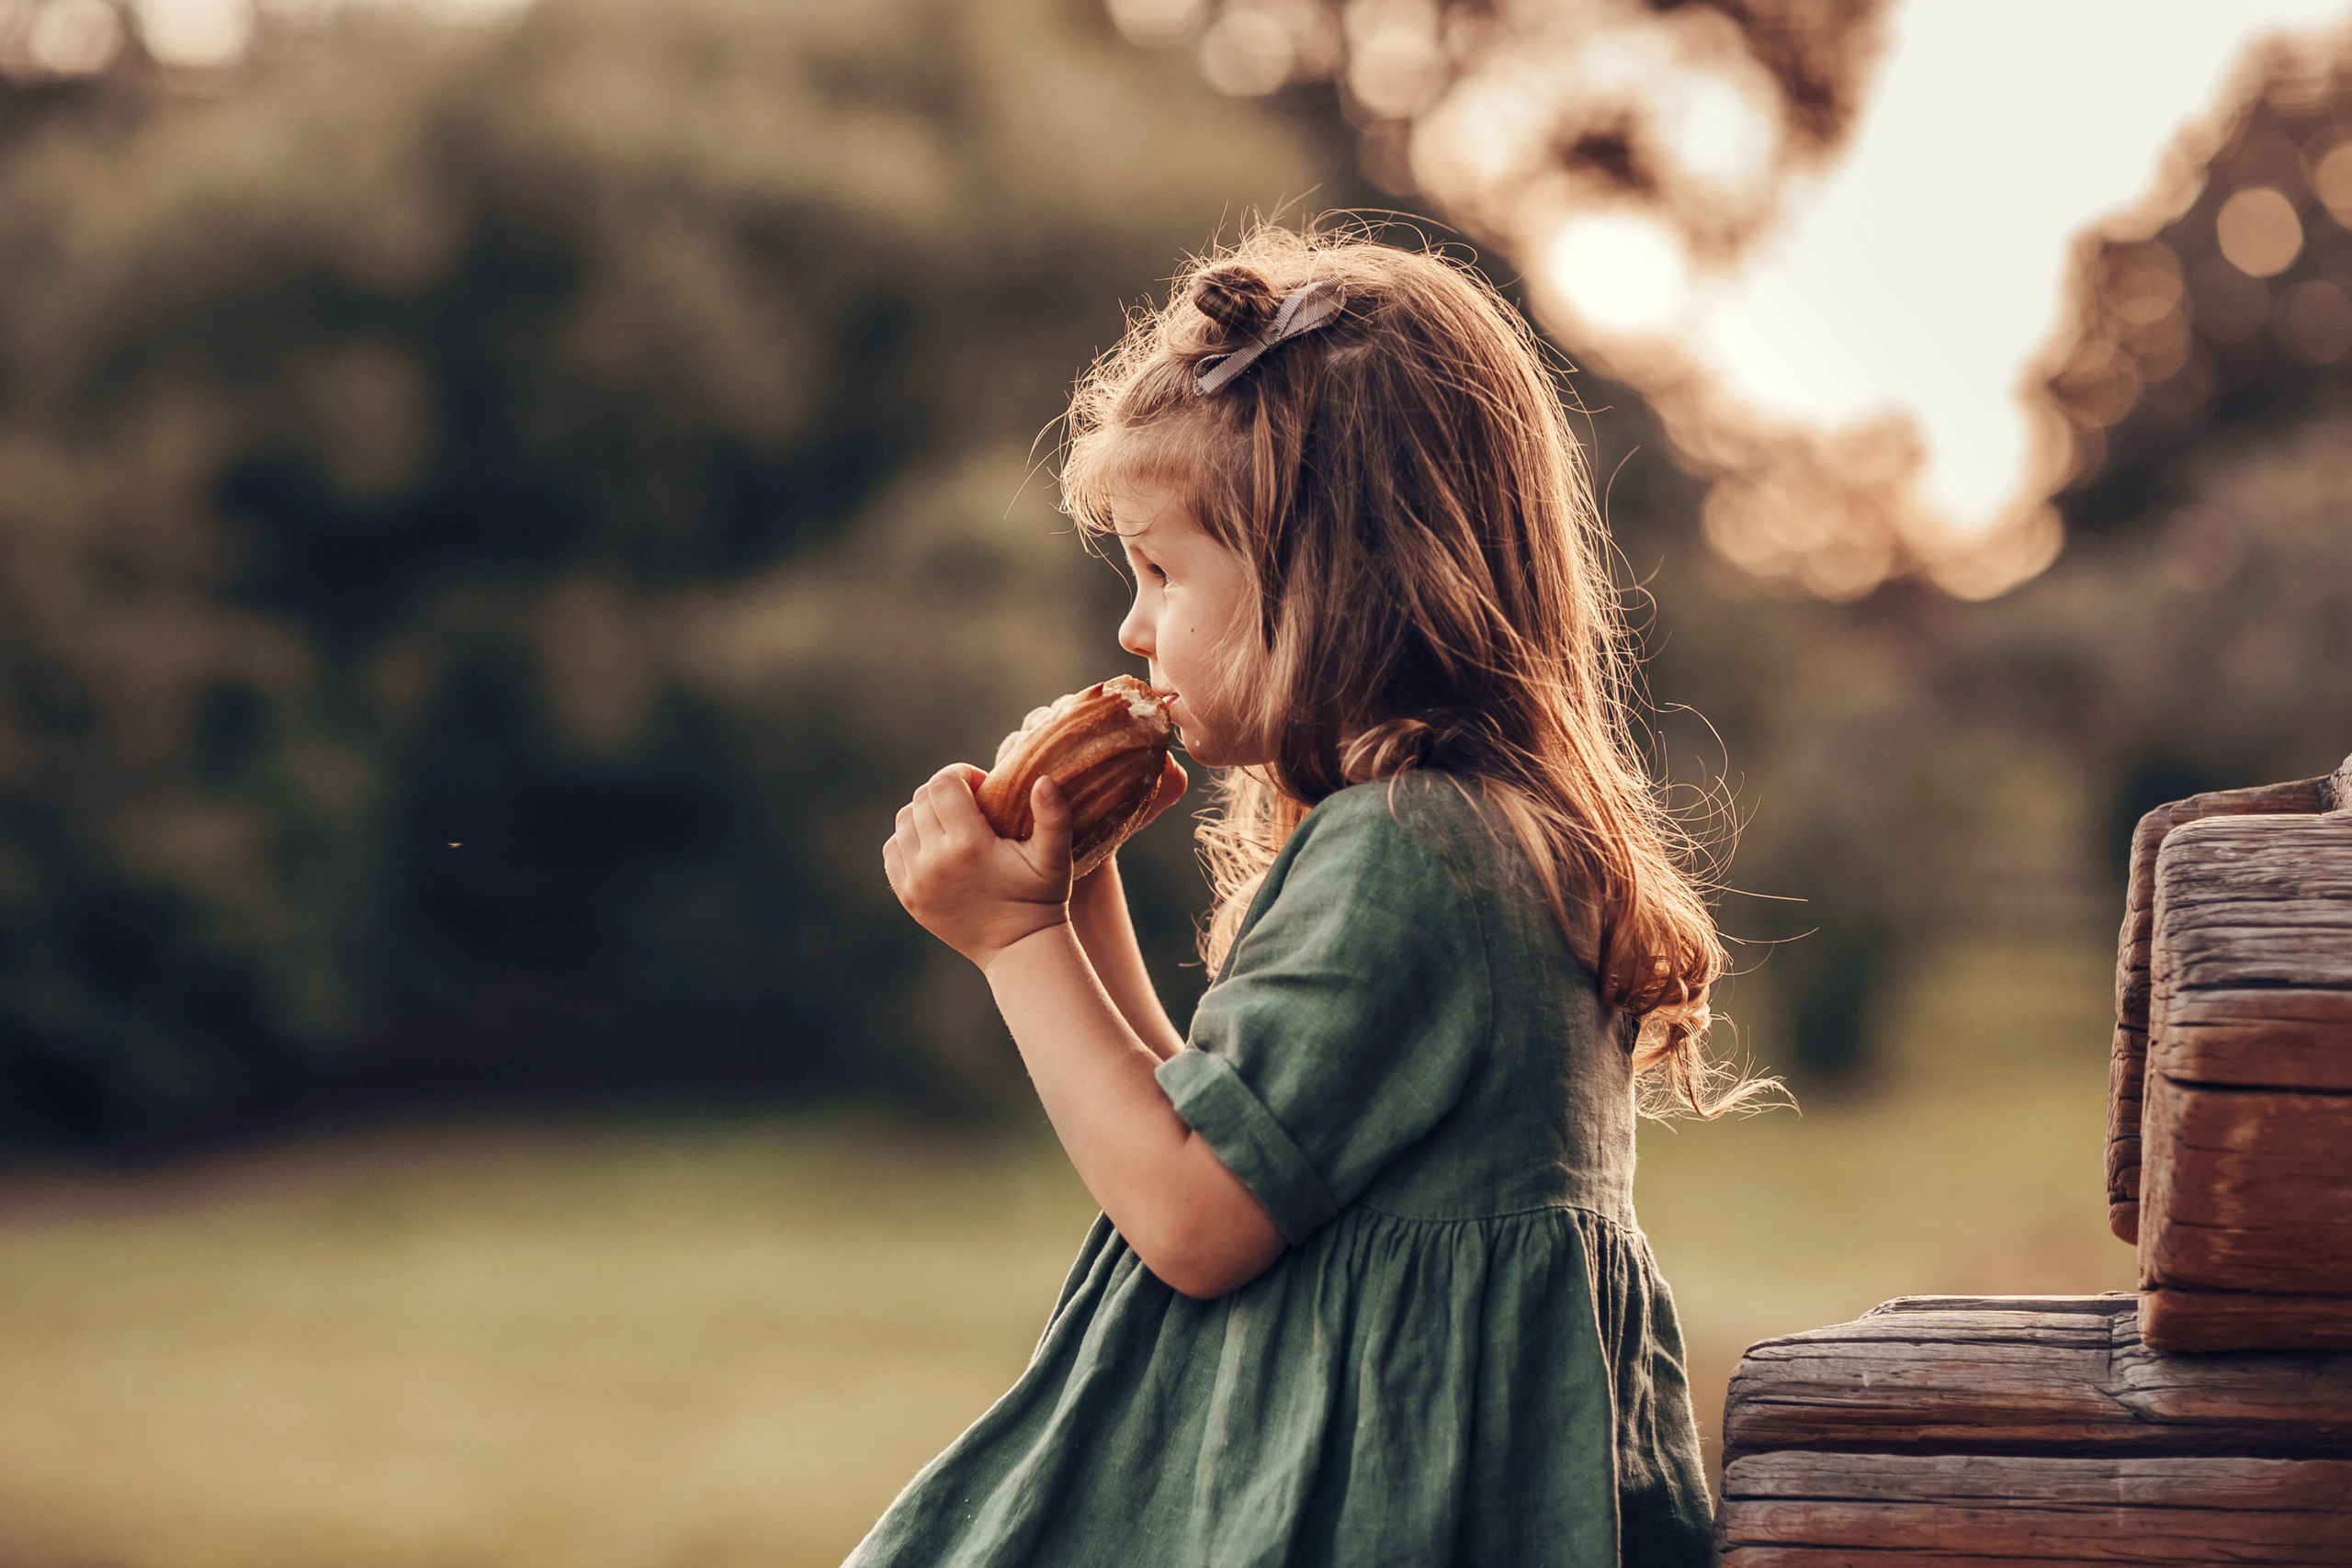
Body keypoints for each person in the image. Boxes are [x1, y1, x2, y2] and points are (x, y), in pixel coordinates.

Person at [864, 224, 1764, 1567]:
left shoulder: (1410, 850)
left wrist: (1012, 941)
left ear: (1330, 571)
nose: (1132, 626)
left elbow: (1189, 1219)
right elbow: (1233, 1148)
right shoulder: (1472, 832)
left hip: (1381, 1508)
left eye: (1166, 573)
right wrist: (1080, 893)